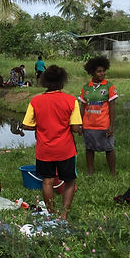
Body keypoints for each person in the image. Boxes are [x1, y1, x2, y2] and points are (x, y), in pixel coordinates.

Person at [22, 65, 82, 220]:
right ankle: (64, 215)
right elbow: (75, 128)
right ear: (62, 83)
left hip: (44, 150)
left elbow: (26, 125)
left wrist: (41, 125)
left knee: (47, 182)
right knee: (69, 181)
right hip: (66, 149)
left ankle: (51, 214)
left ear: (44, 82)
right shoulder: (71, 101)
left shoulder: (36, 101)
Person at [78, 56, 118, 176]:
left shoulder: (109, 86)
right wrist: (80, 124)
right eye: (99, 71)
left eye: (103, 71)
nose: (102, 73)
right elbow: (82, 106)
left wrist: (111, 125)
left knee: (109, 149)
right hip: (89, 125)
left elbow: (112, 107)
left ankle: (113, 173)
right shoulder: (86, 87)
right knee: (89, 149)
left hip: (103, 124)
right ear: (92, 72)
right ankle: (90, 172)